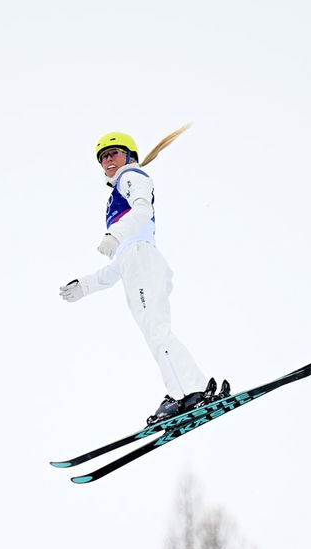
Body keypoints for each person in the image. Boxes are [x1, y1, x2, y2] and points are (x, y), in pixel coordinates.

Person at [59, 127, 227, 425]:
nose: (108, 160)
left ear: (129, 156)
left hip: (142, 258)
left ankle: (193, 390)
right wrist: (83, 287)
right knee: (154, 333)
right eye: (103, 157)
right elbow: (115, 269)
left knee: (157, 330)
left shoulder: (131, 177)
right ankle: (181, 391)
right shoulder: (116, 192)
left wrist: (114, 234)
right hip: (133, 261)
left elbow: (142, 208)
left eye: (114, 153)